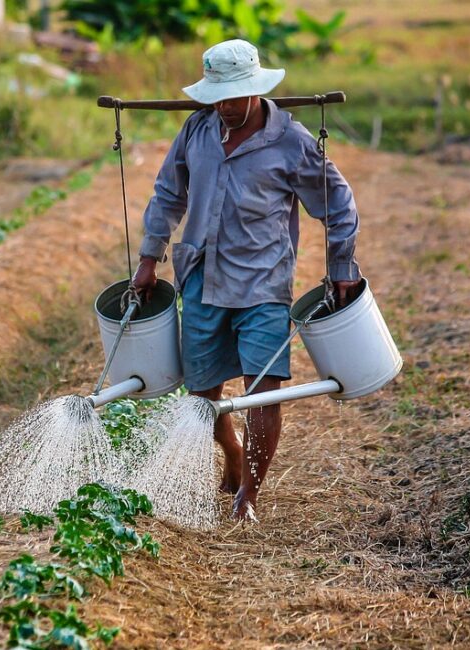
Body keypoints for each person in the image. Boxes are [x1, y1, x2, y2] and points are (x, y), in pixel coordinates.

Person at [131, 39, 362, 522]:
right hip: (200, 278)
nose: (225, 107)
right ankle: (232, 453)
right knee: (203, 395)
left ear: (256, 91)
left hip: (263, 284)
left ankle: (247, 498)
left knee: (264, 390)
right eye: (217, 97)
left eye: (233, 97)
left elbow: (338, 205)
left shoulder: (291, 142)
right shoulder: (197, 130)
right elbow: (168, 194)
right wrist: (149, 258)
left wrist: (341, 267)